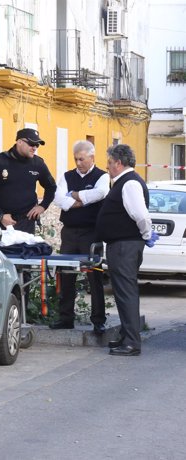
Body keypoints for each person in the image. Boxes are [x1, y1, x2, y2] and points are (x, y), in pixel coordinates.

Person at [96, 144, 156, 357]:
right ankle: (126, 335)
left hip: (125, 246)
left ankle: (131, 342)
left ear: (118, 163)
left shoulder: (129, 183)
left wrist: (147, 235)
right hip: (122, 245)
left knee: (126, 293)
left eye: (110, 163)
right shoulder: (125, 182)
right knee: (123, 293)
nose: (108, 167)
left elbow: (140, 215)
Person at [50, 141, 109, 333]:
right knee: (65, 274)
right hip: (69, 232)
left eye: (81, 159)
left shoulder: (102, 176)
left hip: (91, 233)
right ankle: (66, 318)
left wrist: (74, 195)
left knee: (94, 276)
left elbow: (100, 193)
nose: (78, 163)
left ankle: (98, 320)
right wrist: (82, 201)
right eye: (76, 159)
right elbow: (58, 198)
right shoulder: (67, 176)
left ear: (92, 157)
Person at [0, 128, 57, 234]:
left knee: (25, 250)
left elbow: (51, 187)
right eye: (31, 143)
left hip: (26, 221)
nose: (34, 147)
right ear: (19, 142)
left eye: (37, 145)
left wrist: (42, 206)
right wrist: (0, 216)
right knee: (4, 251)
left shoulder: (38, 164)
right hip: (3, 222)